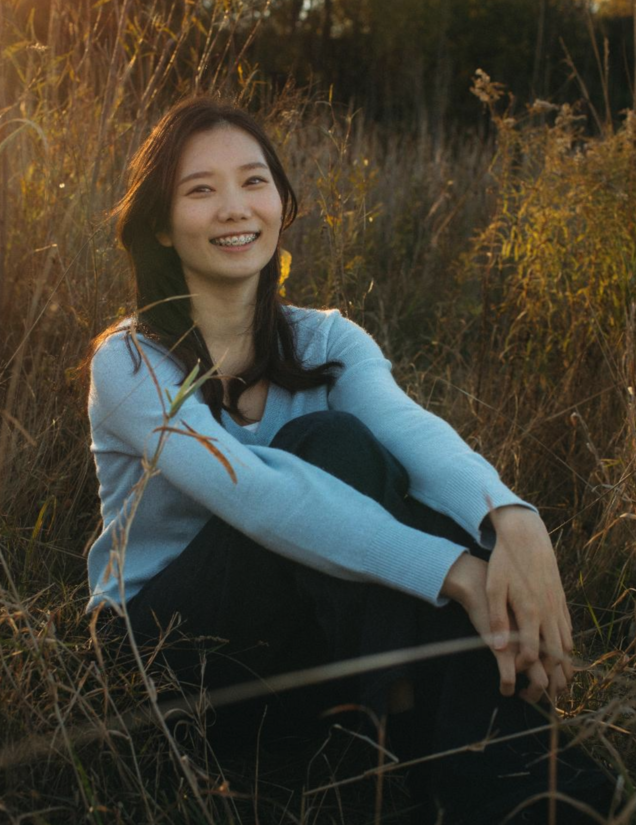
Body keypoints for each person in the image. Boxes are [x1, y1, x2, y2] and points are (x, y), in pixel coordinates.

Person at [86, 96, 619, 823]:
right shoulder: (130, 364)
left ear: (281, 200)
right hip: (163, 663)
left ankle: (497, 782)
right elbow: (262, 498)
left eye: (253, 181)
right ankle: (499, 775)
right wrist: (455, 571)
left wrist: (510, 517)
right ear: (160, 224)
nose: (235, 209)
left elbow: (411, 431)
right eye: (200, 190)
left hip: (297, 649)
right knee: (327, 454)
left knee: (374, 461)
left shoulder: (327, 340)